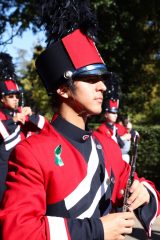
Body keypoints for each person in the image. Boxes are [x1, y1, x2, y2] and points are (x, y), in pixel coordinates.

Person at [0, 1, 160, 240]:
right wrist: (97, 229)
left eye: (102, 78)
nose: (103, 86)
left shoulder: (107, 147)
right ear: (64, 89)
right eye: (91, 78)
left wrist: (144, 193)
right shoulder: (32, 152)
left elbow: (141, 186)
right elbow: (17, 230)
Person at [0, 52, 46, 201]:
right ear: (2, 98)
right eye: (10, 96)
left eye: (17, 96)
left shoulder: (22, 112)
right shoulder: (2, 116)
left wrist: (30, 115)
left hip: (23, 168)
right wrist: (14, 119)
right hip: (3, 171)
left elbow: (44, 127)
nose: (15, 100)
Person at [97, 73, 132, 163]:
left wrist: (130, 131)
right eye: (112, 113)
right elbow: (109, 145)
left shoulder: (119, 127)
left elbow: (130, 135)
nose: (115, 115)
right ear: (106, 115)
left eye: (116, 113)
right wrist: (123, 138)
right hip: (109, 159)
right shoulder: (102, 129)